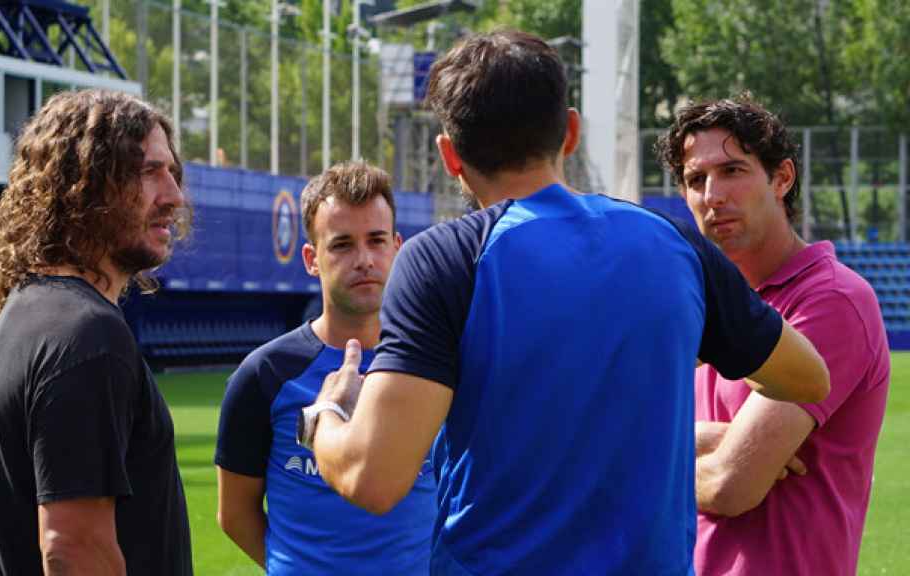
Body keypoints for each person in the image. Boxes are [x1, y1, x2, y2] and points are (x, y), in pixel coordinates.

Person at [298, 30, 831, 575]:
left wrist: (325, 416)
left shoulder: (445, 260)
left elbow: (373, 477)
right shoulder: (673, 244)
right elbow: (808, 379)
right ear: (571, 131)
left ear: (450, 155)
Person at [657, 96, 890, 575]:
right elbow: (634, 423)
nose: (712, 195)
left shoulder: (832, 300)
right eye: (696, 180)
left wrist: (639, 465)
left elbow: (729, 486)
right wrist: (698, 439)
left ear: (782, 178)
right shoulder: (698, 303)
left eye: (732, 171)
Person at [0, 89, 192, 575]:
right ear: (86, 183)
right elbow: (72, 549)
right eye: (149, 171)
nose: (174, 196)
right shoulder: (86, 335)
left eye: (172, 173)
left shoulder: (26, 315)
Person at [214, 161, 435, 574]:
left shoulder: (434, 363)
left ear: (397, 247)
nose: (364, 259)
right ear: (312, 259)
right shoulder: (265, 374)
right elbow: (235, 514)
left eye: (376, 240)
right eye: (342, 244)